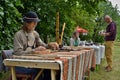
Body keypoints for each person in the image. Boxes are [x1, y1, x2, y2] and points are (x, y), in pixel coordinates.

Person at [14, 11, 59, 80]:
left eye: (36, 22)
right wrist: (33, 51)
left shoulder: (35, 34)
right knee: (41, 69)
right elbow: (17, 52)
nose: (35, 24)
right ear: (26, 23)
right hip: (21, 65)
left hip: (33, 63)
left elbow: (43, 45)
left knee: (49, 69)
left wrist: (49, 45)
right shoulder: (18, 35)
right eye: (33, 22)